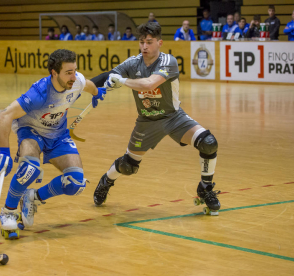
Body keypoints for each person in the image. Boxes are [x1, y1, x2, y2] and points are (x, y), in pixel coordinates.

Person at [90, 22, 221, 215]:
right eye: (141, 42)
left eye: (149, 42)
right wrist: (86, 86)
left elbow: (149, 85)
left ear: (159, 43)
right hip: (147, 122)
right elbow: (109, 75)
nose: (144, 46)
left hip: (174, 118)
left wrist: (123, 81)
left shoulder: (169, 62)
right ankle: (106, 181)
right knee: (128, 166)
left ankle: (206, 188)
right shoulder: (133, 63)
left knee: (209, 143)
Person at [0, 49, 106, 238]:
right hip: (32, 132)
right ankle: (8, 212)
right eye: (68, 72)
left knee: (76, 184)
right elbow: (4, 115)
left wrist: (97, 92)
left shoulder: (76, 81)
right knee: (30, 170)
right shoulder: (39, 93)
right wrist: (3, 151)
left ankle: (33, 197)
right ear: (54, 73)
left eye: (75, 70)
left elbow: (86, 84)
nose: (74, 76)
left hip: (58, 135)